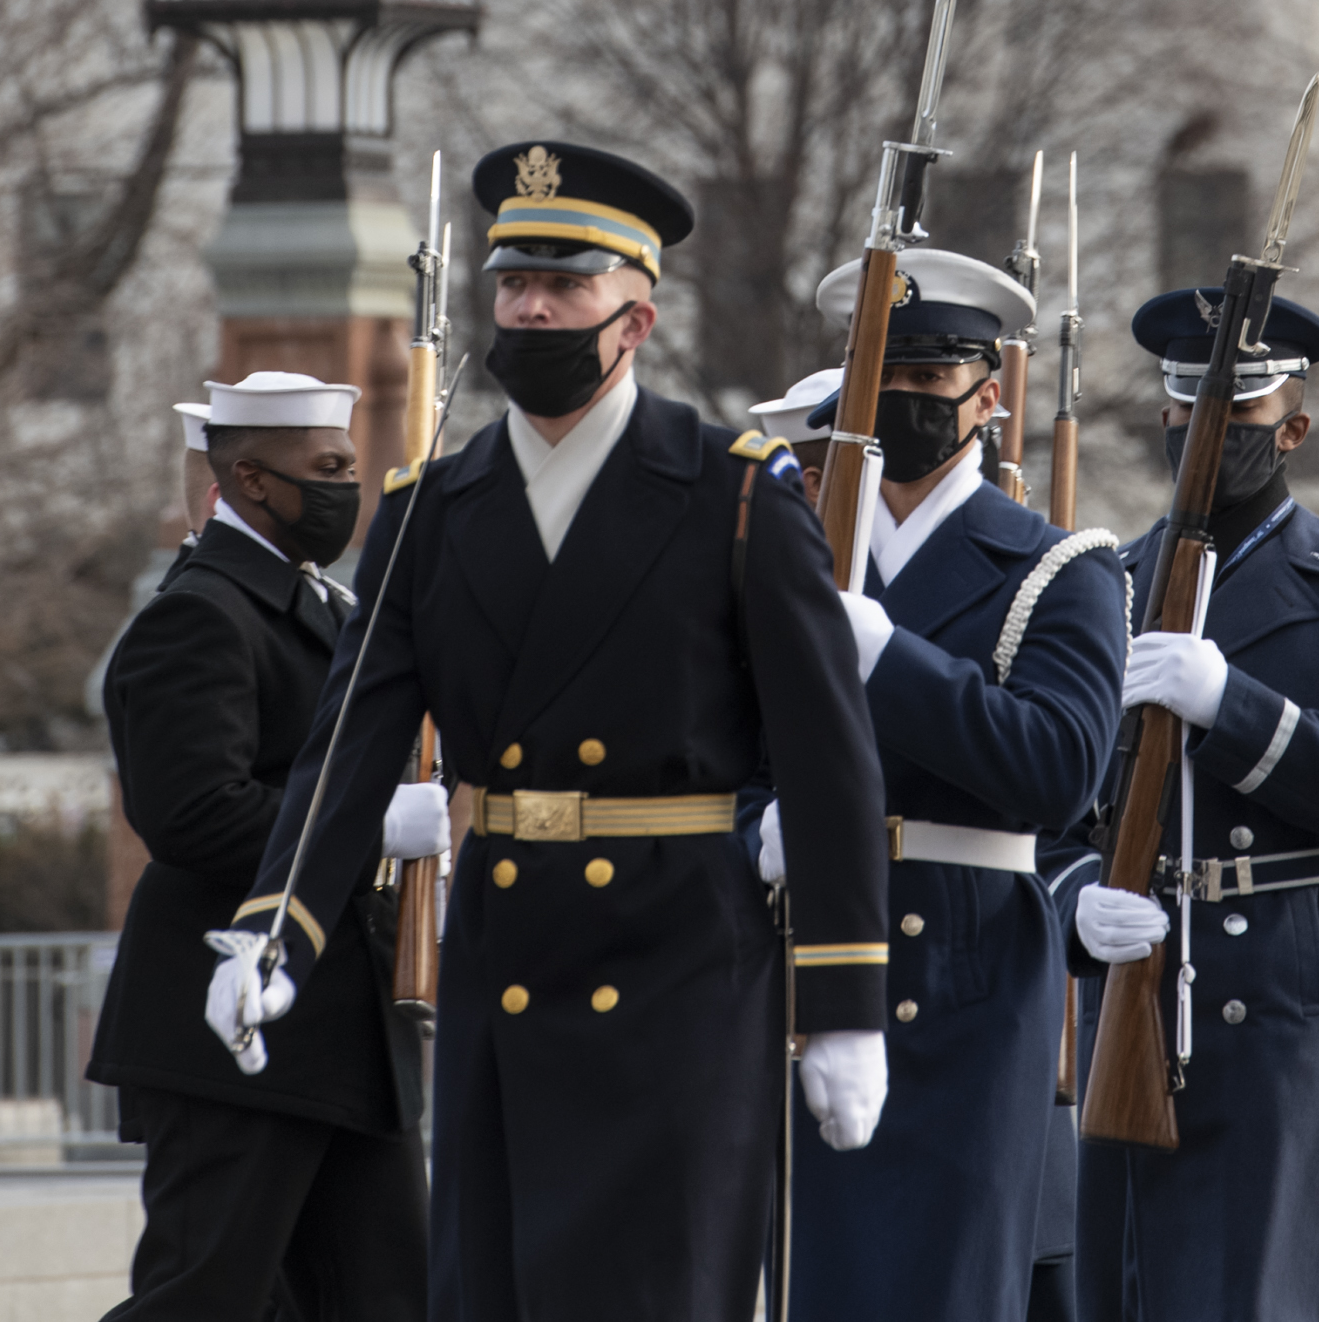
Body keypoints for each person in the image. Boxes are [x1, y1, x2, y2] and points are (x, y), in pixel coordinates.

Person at [216, 139, 890, 1322]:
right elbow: (350, 742)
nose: (529, 311)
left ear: (635, 315)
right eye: (514, 285)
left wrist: (842, 1002)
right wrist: (278, 930)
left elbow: (829, 758)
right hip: (505, 956)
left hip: (678, 966)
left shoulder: (733, 493)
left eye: (564, 287)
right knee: (500, 1291)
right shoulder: (431, 508)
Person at [1058, 285, 1319, 1322]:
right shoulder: (1099, 588)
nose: (1205, 436)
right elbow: (1050, 801)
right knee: (1118, 1288)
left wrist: (1234, 708)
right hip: (1126, 979)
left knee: (1244, 1293)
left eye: (1236, 416)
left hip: (1267, 990)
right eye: (1188, 412)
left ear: (1294, 429)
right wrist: (1072, 901)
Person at [779, 249, 1127, 1322]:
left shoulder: (1059, 568)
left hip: (966, 967)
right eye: (881, 377)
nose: (901, 404)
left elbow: (1060, 772)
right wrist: (757, 827)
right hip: (801, 955)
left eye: (930, 383)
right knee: (812, 1284)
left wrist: (890, 657)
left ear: (989, 397)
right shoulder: (788, 554)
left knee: (946, 1288)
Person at [87, 373, 429, 1320]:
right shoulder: (200, 613)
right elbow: (191, 812)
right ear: (250, 478)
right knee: (204, 1298)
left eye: (348, 467)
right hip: (230, 1025)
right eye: (324, 469)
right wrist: (369, 829)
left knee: (391, 1299)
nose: (343, 488)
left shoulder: (325, 606)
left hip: (338, 1030)